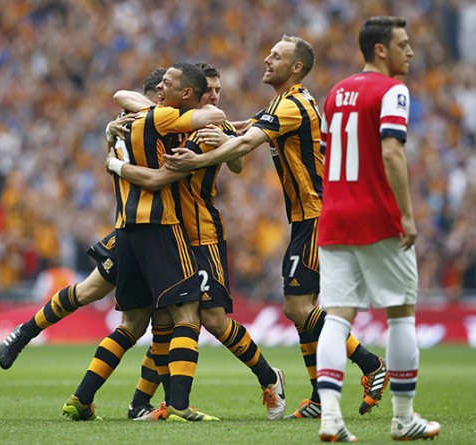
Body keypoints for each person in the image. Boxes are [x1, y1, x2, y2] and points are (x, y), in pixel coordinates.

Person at [163, 35, 387, 419]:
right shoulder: (282, 103)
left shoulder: (293, 104)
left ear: (296, 67)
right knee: (301, 308)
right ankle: (319, 398)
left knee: (298, 307)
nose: (266, 58)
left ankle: (370, 364)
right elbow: (243, 127)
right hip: (305, 218)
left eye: (277, 56)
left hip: (318, 215)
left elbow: (244, 145)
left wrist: (196, 160)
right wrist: (221, 131)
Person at [108, 62, 286, 421]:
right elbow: (126, 95)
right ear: (191, 92)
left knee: (214, 320)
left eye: (219, 91)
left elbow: (236, 166)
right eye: (209, 90)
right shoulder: (170, 120)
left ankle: (270, 378)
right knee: (165, 321)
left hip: (202, 234)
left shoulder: (208, 124)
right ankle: (142, 403)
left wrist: (227, 143)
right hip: (168, 233)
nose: (215, 96)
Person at [61, 62, 225, 422]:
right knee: (186, 314)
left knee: (135, 323)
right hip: (160, 226)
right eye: (162, 82)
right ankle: (179, 406)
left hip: (125, 230)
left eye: (169, 81)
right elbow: (157, 179)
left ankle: (82, 398)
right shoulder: (163, 118)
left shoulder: (129, 118)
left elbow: (121, 94)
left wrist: (114, 154)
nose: (162, 86)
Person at [314, 17, 440, 442]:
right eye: (403, 44)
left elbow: (328, 157)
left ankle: (330, 416)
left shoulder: (335, 93)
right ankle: (403, 418)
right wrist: (406, 214)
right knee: (401, 314)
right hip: (378, 217)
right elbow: (391, 152)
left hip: (335, 217)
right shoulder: (393, 91)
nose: (411, 52)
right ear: (381, 50)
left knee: (337, 316)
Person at [0, 68, 168, 372]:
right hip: (141, 229)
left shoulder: (128, 127)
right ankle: (25, 333)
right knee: (152, 316)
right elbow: (121, 97)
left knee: (120, 307)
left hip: (148, 228)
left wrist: (108, 134)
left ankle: (121, 400)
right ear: (156, 94)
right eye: (168, 90)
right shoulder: (142, 127)